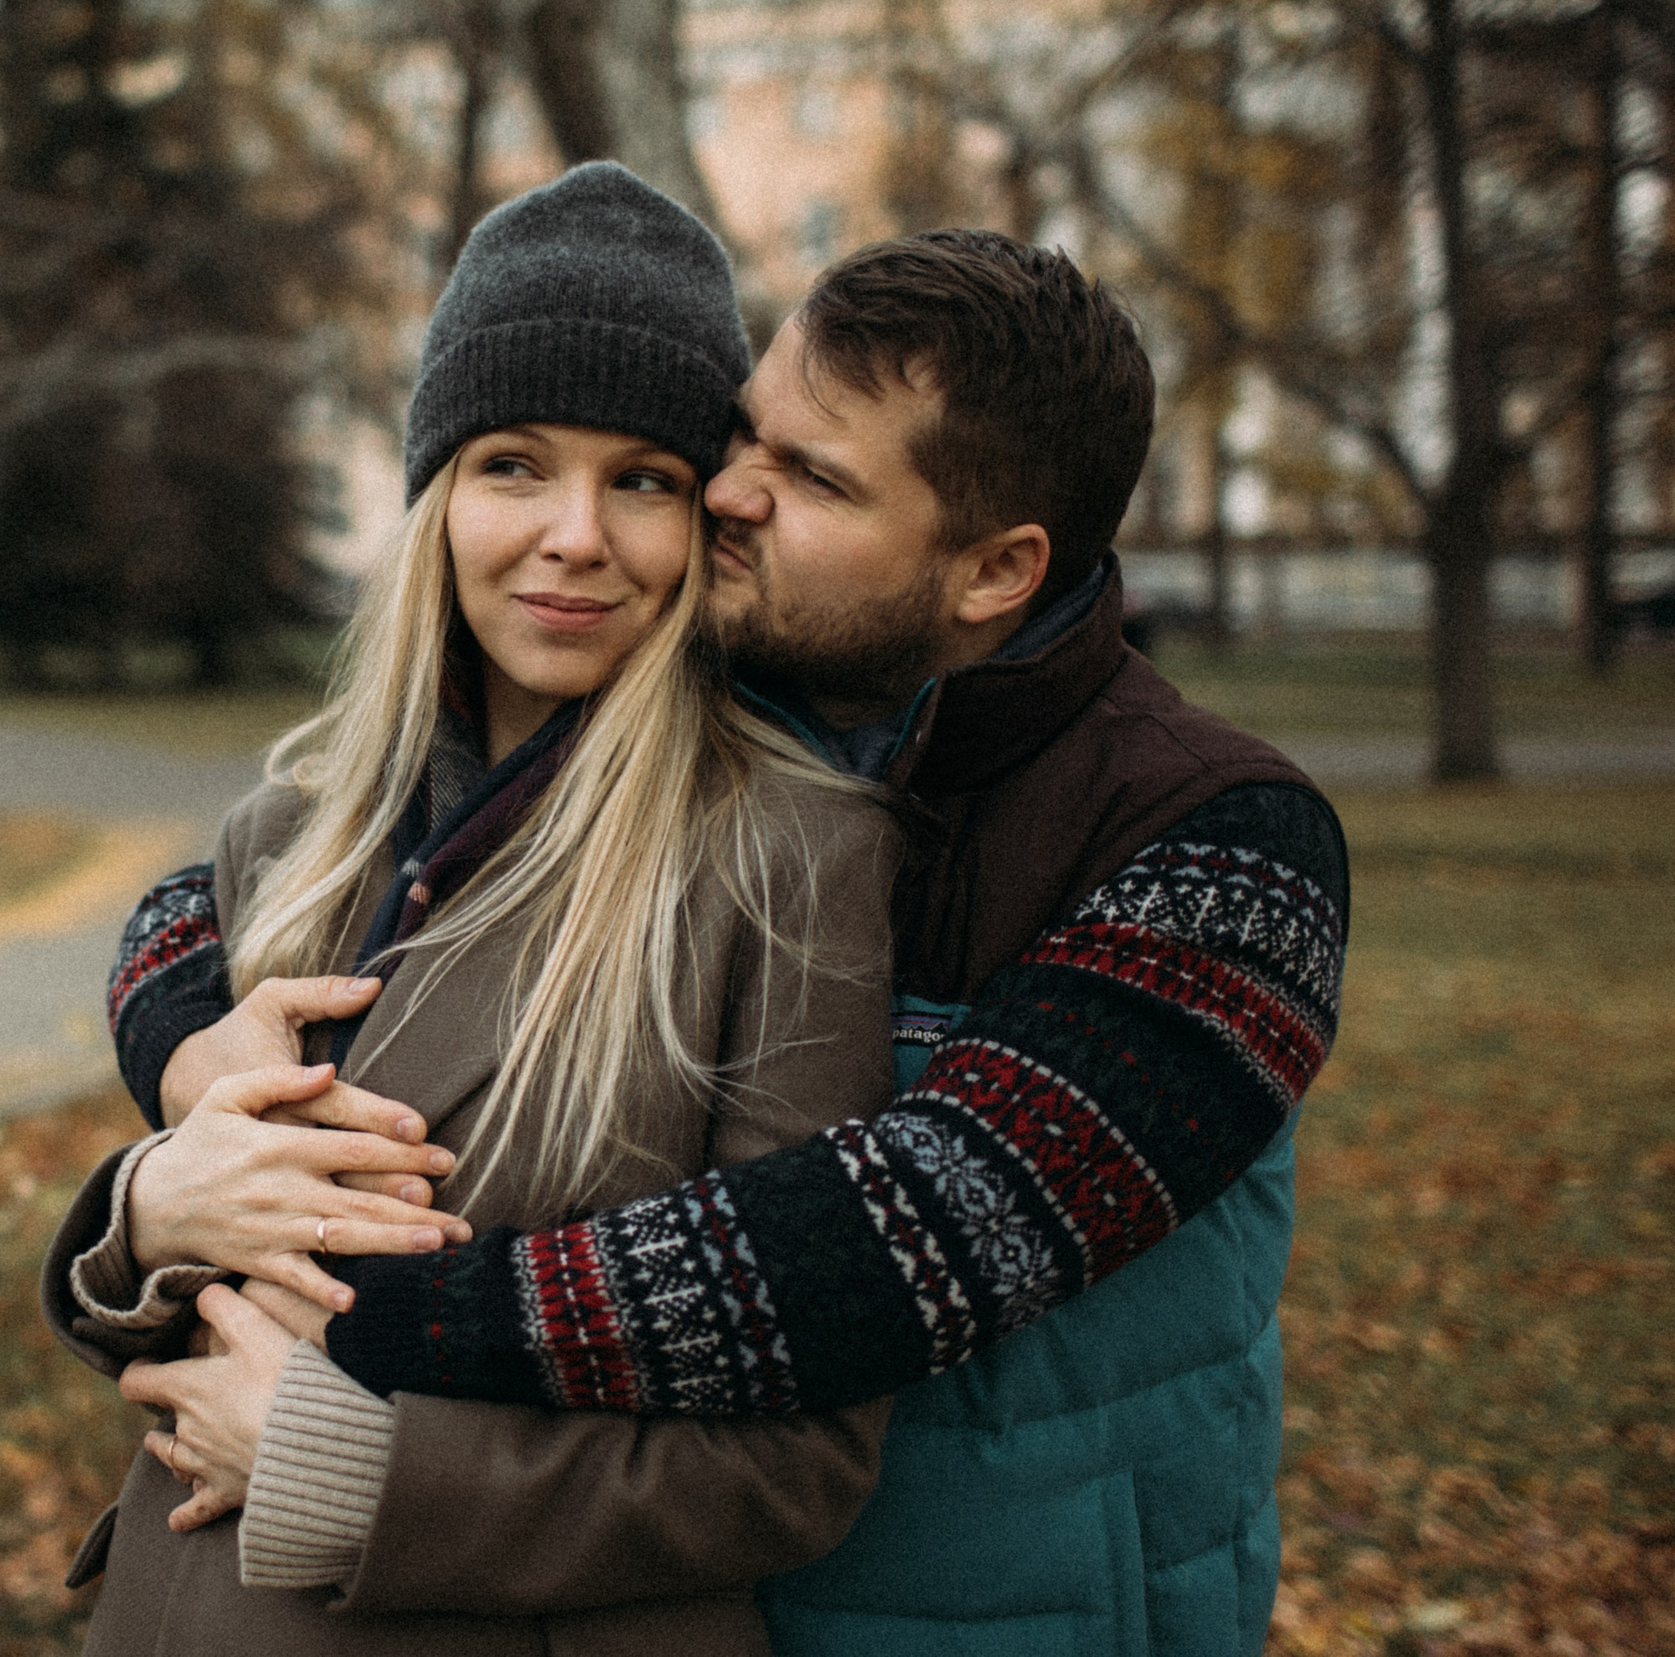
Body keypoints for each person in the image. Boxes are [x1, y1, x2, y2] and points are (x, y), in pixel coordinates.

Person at [101, 228, 1349, 1654]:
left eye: (812, 478)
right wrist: (181, 1054)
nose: (727, 493)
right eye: (747, 435)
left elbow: (881, 1247)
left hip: (997, 1619)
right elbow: (239, 883)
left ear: (996, 570)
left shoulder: (1215, 845)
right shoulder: (704, 692)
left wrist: (341, 1292)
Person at [43, 162, 911, 1654]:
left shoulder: (787, 858)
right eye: (515, 462)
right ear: (438, 495)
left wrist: (349, 1473)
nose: (576, 533)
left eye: (641, 478)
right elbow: (186, 1293)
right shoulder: (294, 834)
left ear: (703, 515)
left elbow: (798, 1462)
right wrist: (143, 1208)